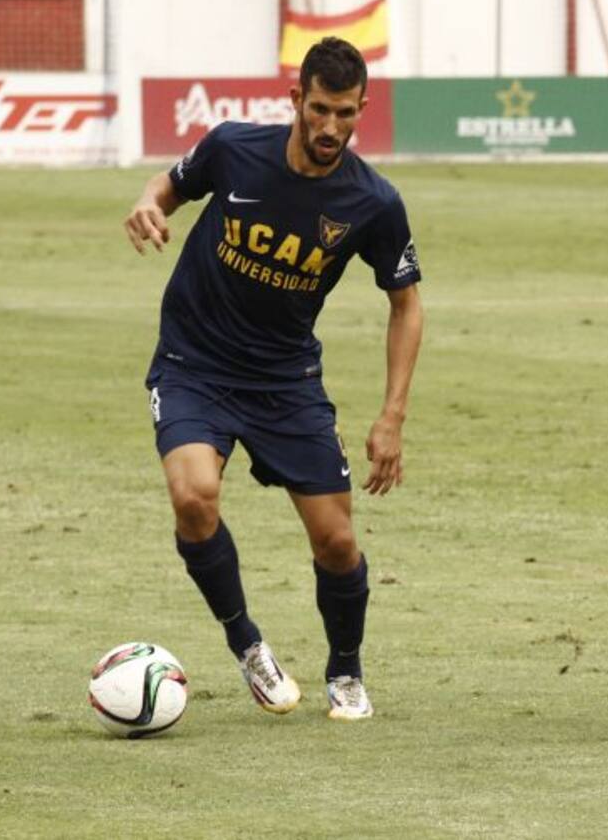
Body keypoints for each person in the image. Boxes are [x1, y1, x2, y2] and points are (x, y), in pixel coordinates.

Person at [122, 36, 424, 722]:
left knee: (337, 542)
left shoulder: (374, 202)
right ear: (296, 100)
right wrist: (147, 202)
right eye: (319, 109)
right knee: (194, 497)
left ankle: (345, 670)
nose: (331, 127)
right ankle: (248, 645)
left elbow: (406, 303)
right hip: (194, 364)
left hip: (287, 381)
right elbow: (169, 185)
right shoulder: (234, 148)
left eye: (345, 113)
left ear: (362, 109)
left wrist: (392, 415)